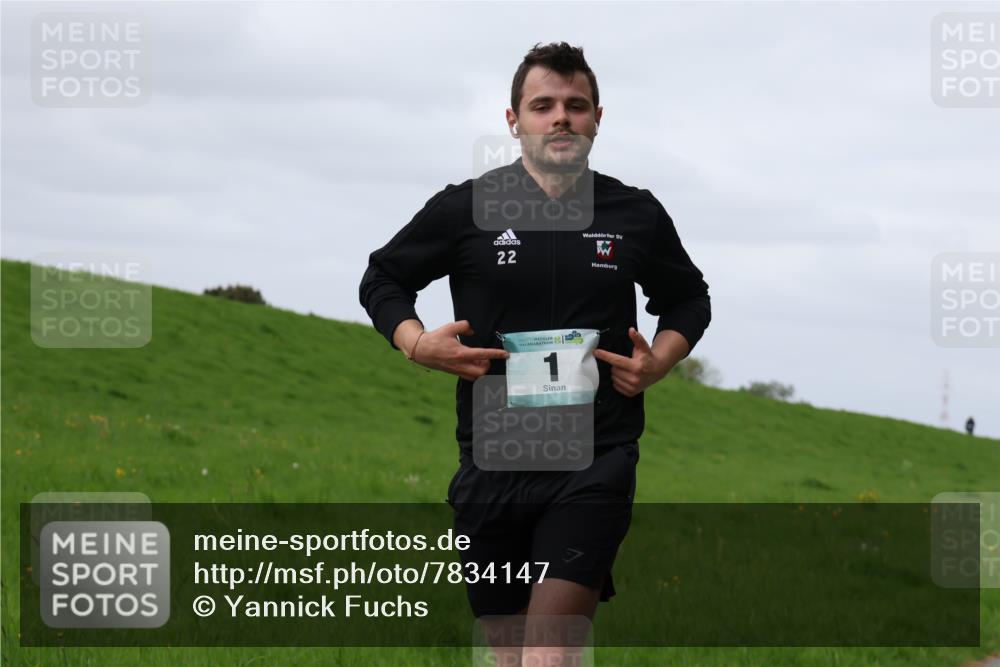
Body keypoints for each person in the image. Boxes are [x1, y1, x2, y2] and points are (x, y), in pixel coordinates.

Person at [359, 42, 711, 663]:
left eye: (576, 106)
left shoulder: (635, 213)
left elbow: (688, 298)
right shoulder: (467, 207)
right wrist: (418, 344)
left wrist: (660, 359)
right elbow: (382, 278)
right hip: (493, 459)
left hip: (595, 457)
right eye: (543, 105)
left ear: (598, 118)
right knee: (507, 652)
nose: (561, 118)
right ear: (513, 120)